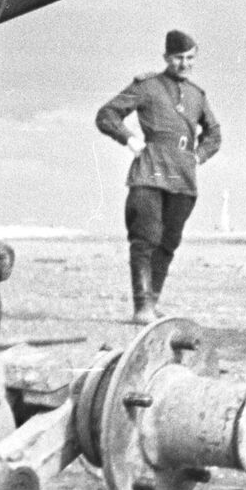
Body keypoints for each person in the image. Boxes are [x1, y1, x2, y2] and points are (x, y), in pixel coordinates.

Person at [95, 29, 221, 324]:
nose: (184, 64)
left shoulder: (197, 95)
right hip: (149, 173)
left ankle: (152, 302)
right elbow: (107, 114)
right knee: (145, 239)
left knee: (168, 242)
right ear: (166, 57)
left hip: (183, 179)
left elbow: (214, 134)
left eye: (190, 58)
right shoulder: (147, 86)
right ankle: (142, 307)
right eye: (178, 58)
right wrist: (130, 140)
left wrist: (197, 157)